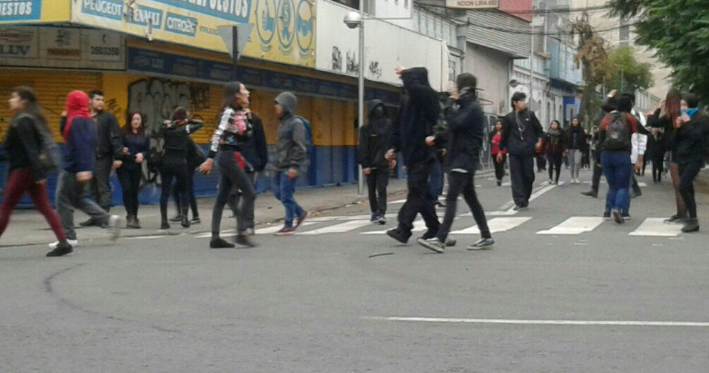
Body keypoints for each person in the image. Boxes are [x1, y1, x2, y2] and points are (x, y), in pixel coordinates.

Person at [417, 73, 494, 253]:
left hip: (463, 158)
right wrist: (436, 138)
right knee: (471, 199)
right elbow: (451, 129)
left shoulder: (472, 108)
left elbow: (454, 124)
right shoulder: (467, 107)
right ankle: (486, 235)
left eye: (457, 87)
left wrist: (450, 105)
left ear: (463, 89)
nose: (454, 91)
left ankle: (440, 238)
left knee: (451, 198)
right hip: (461, 157)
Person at [0, 87, 72, 256]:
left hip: (24, 171)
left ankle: (63, 242)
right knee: (44, 207)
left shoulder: (23, 121)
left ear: (23, 101)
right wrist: (39, 174)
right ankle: (63, 242)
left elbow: (31, 149)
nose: (10, 100)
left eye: (13, 97)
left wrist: (39, 174)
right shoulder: (30, 119)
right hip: (30, 171)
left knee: (6, 207)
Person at [53, 90, 122, 256]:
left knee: (62, 199)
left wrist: (83, 168)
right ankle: (108, 219)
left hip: (73, 167)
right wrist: (63, 118)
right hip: (82, 166)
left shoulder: (78, 120)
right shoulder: (87, 120)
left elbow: (83, 144)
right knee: (79, 199)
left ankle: (68, 236)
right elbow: (67, 135)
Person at [385, 67, 441, 244]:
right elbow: (398, 126)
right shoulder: (407, 100)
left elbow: (417, 89)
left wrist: (405, 72)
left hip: (424, 152)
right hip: (410, 153)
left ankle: (404, 228)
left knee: (416, 191)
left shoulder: (428, 96)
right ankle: (434, 228)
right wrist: (394, 147)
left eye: (410, 80)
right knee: (421, 194)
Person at [79, 90, 123, 227]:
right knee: (92, 188)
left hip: (103, 157)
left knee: (103, 187)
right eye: (98, 99)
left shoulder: (108, 117)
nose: (101, 102)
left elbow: (116, 136)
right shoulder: (85, 117)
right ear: (90, 101)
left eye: (102, 100)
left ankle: (104, 217)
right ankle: (95, 216)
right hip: (88, 157)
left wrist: (118, 156)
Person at [269, 91, 309, 236]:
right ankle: (300, 212)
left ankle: (288, 224)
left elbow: (300, 146)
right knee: (278, 193)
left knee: (286, 195)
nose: (276, 108)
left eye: (278, 105)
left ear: (287, 106)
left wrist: (294, 165)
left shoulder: (296, 124)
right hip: (279, 165)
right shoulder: (283, 124)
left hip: (289, 166)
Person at [598, 95, 641, 223]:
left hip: (606, 154)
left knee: (612, 185)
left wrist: (598, 159)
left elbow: (600, 138)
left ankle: (607, 211)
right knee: (623, 185)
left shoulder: (607, 118)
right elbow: (641, 130)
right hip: (622, 154)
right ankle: (618, 208)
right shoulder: (629, 118)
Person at [226, 104, 268, 235]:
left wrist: (262, 161)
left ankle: (248, 224)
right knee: (230, 194)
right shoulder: (229, 118)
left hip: (249, 162)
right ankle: (240, 219)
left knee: (248, 194)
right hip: (233, 161)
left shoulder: (255, 119)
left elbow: (261, 141)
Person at [159, 108, 203, 230]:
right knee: (184, 190)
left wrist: (168, 123)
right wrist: (186, 121)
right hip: (180, 163)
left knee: (165, 191)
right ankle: (184, 217)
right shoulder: (185, 129)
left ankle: (163, 221)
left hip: (166, 161)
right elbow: (200, 123)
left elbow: (159, 131)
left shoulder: (167, 128)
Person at [499, 92, 544, 211]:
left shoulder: (530, 115)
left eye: (524, 100)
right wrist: (500, 150)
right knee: (516, 177)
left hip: (528, 150)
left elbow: (539, 130)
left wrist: (539, 141)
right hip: (514, 151)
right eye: (521, 101)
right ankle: (519, 201)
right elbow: (504, 135)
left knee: (528, 176)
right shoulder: (509, 118)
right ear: (515, 103)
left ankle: (526, 197)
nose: (524, 103)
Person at [671, 94, 708, 233]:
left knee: (683, 185)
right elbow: (674, 142)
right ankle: (692, 219)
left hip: (695, 157)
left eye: (684, 105)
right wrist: (678, 128)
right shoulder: (683, 119)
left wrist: (687, 124)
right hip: (682, 157)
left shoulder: (702, 119)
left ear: (691, 105)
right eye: (680, 105)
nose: (682, 108)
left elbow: (698, 137)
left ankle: (692, 219)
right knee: (688, 189)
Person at [648, 90, 687, 223]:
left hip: (674, 152)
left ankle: (682, 214)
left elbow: (653, 122)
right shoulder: (684, 115)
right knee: (682, 185)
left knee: (678, 185)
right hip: (686, 152)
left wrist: (658, 108)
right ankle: (682, 213)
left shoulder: (669, 116)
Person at [358, 99, 394, 224]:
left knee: (382, 188)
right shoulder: (366, 128)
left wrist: (393, 158)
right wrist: (364, 164)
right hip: (371, 163)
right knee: (372, 189)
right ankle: (375, 211)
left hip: (384, 163)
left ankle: (382, 212)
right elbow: (362, 146)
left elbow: (392, 143)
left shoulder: (388, 125)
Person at [118, 112, 149, 229]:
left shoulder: (144, 134)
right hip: (124, 165)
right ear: (130, 120)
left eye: (138, 119)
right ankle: (129, 215)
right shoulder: (123, 132)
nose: (136, 121)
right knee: (127, 189)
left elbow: (147, 151)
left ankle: (135, 216)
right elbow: (117, 145)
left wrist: (142, 155)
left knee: (134, 191)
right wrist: (122, 150)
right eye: (134, 119)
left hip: (136, 165)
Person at [171, 135, 204, 225]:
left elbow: (195, 154)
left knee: (188, 190)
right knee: (175, 189)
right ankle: (181, 213)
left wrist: (189, 166)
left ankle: (195, 216)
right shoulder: (177, 139)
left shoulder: (186, 139)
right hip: (182, 167)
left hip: (188, 167)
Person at [544, 120, 566, 185]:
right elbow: (544, 142)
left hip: (558, 151)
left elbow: (564, 142)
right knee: (550, 164)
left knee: (557, 166)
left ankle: (556, 179)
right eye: (552, 124)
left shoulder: (561, 133)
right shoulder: (548, 133)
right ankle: (550, 178)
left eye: (555, 124)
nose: (554, 125)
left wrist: (564, 150)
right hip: (550, 151)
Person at [566, 117, 585, 184]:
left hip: (578, 148)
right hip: (570, 148)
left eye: (576, 121)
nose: (575, 122)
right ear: (572, 122)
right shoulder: (568, 130)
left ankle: (577, 177)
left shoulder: (581, 130)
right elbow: (565, 140)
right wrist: (566, 148)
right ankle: (572, 177)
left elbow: (584, 140)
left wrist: (583, 149)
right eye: (573, 121)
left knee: (577, 163)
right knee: (572, 164)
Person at [490, 119, 506, 186]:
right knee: (496, 166)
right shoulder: (492, 133)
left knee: (500, 165)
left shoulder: (504, 133)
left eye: (499, 124)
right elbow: (489, 140)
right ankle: (498, 178)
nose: (498, 126)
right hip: (494, 151)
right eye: (497, 124)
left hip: (502, 151)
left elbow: (505, 141)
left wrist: (499, 143)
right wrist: (492, 142)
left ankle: (500, 177)